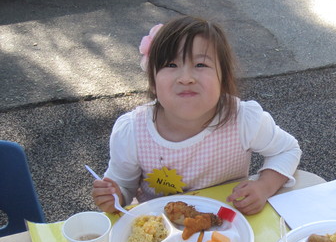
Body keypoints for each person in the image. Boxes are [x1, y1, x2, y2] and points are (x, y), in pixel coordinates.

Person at [92, 16, 301, 216]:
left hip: (231, 227)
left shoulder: (242, 119)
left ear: (224, 78)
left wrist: (264, 187)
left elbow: (287, 150)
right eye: (171, 65)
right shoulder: (133, 132)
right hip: (161, 237)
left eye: (200, 65)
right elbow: (123, 188)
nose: (186, 78)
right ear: (153, 82)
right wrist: (113, 196)